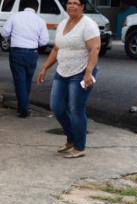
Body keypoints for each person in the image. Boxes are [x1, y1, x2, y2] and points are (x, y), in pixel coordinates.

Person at [36, 0, 100, 158]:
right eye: (69, 2)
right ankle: (71, 139)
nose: (72, 6)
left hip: (81, 72)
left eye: (76, 3)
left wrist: (88, 72)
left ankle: (79, 147)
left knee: (76, 109)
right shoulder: (63, 23)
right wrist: (45, 67)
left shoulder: (88, 25)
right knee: (56, 107)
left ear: (82, 6)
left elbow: (94, 49)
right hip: (62, 71)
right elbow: (56, 48)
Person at [0, 0, 48, 118]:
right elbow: (44, 41)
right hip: (32, 53)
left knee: (19, 81)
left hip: (17, 52)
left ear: (22, 6)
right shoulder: (40, 21)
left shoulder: (14, 16)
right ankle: (24, 106)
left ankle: (23, 109)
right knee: (27, 81)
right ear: (37, 7)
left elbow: (4, 33)